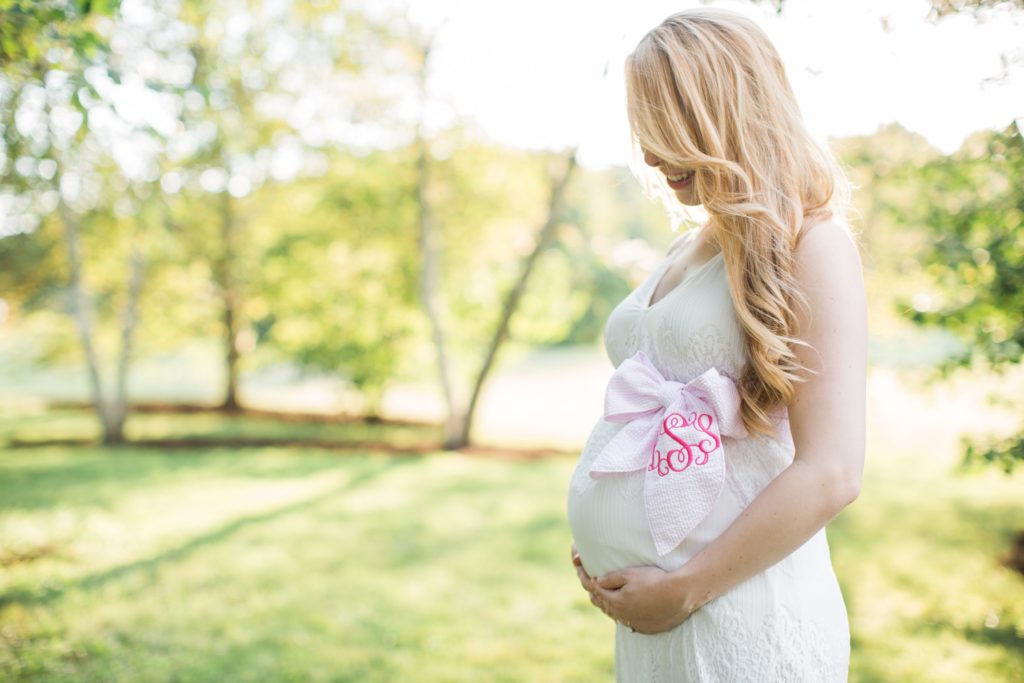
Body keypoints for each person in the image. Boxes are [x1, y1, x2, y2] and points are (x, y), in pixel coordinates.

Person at [565, 7, 867, 682]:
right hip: (659, 625)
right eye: (641, 126)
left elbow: (833, 470)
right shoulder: (687, 245)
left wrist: (686, 585)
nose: (648, 152)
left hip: (743, 616)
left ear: (723, 110)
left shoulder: (814, 244)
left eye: (665, 125)